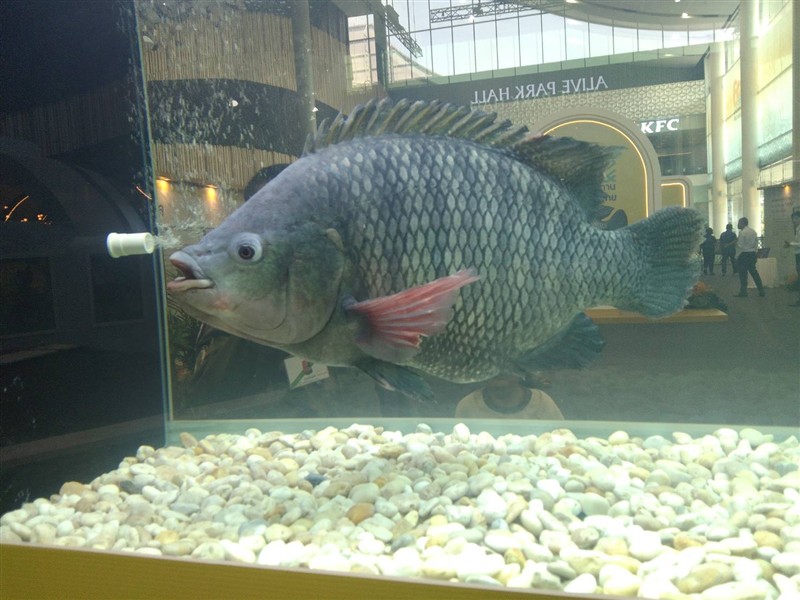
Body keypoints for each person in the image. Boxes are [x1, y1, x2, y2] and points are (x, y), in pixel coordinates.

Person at [455, 375, 564, 419]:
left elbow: (562, 438)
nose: (499, 370)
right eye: (493, 362)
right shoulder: (468, 405)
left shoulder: (542, 401)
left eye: (506, 363)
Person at [734, 217, 764, 298]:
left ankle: (743, 291)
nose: (738, 225)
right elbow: (756, 244)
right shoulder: (753, 231)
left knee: (743, 274)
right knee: (754, 273)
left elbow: (740, 246)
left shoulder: (742, 233)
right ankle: (761, 290)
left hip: (744, 255)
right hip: (752, 254)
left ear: (743, 223)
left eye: (739, 223)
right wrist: (755, 253)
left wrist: (736, 256)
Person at [785, 209, 800, 307]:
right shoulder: (797, 229)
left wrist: (790, 244)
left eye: (795, 218)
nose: (793, 221)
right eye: (793, 219)